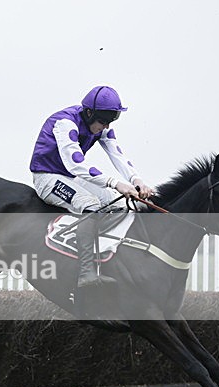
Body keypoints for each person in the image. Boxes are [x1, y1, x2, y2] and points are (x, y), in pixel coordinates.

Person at [29, 85, 153, 289]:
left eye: (110, 122)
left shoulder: (101, 125)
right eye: (103, 122)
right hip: (47, 177)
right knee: (91, 206)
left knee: (122, 205)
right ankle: (85, 272)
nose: (105, 127)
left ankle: (93, 247)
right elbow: (75, 164)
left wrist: (137, 181)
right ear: (89, 113)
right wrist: (115, 183)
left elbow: (117, 154)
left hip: (70, 178)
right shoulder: (65, 123)